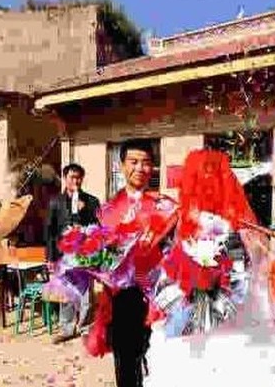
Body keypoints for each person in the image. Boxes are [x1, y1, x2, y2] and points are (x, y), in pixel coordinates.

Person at [142, 149, 275, 387]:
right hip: (189, 307)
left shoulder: (234, 221)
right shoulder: (184, 218)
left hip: (231, 307)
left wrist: (220, 276)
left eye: (212, 178)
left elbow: (250, 263)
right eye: (200, 178)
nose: (206, 185)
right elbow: (173, 259)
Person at [92, 139, 179, 387]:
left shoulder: (165, 207)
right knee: (126, 364)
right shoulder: (108, 210)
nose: (140, 168)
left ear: (153, 167)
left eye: (146, 162)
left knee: (159, 362)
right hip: (122, 297)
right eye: (133, 162)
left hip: (159, 296)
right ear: (122, 166)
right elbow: (99, 255)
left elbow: (177, 248)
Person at [45, 163, 101, 344]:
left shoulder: (92, 201)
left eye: (78, 178)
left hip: (85, 255)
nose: (75, 181)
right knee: (67, 293)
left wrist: (85, 213)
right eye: (72, 177)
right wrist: (51, 257)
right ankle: (67, 328)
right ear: (65, 178)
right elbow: (50, 231)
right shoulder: (55, 202)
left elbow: (99, 228)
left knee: (86, 294)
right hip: (64, 256)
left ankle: (85, 328)